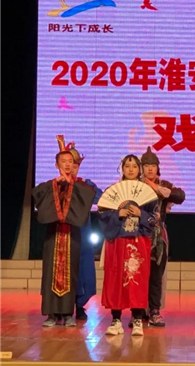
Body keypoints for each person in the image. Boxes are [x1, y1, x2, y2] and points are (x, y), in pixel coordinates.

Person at [32, 135, 96, 327]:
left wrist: (70, 186)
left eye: (70, 162)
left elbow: (87, 198)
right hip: (53, 235)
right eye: (64, 161)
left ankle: (68, 313)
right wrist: (55, 185)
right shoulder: (49, 185)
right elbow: (37, 197)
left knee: (71, 272)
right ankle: (52, 314)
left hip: (72, 236)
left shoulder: (81, 186)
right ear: (56, 165)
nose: (68, 165)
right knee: (51, 272)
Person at [98, 154, 158, 336]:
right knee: (115, 278)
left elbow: (154, 219)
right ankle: (116, 320)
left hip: (138, 241)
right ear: (122, 169)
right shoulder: (112, 191)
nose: (131, 170)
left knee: (137, 279)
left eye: (134, 166)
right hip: (116, 241)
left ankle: (137, 319)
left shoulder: (148, 194)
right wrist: (118, 214)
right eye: (127, 166)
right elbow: (102, 215)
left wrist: (141, 214)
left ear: (139, 169)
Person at [141, 146, 186, 327]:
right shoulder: (134, 185)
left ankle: (154, 311)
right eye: (146, 166)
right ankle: (138, 311)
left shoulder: (164, 184)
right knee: (138, 273)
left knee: (156, 275)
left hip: (158, 235)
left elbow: (180, 196)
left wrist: (157, 188)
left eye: (153, 166)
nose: (150, 169)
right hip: (139, 234)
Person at [66, 142, 103, 321]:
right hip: (63, 233)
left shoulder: (85, 184)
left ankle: (80, 305)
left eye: (75, 164)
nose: (72, 167)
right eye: (68, 162)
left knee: (83, 269)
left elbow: (102, 198)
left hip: (82, 232)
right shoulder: (56, 184)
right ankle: (61, 307)